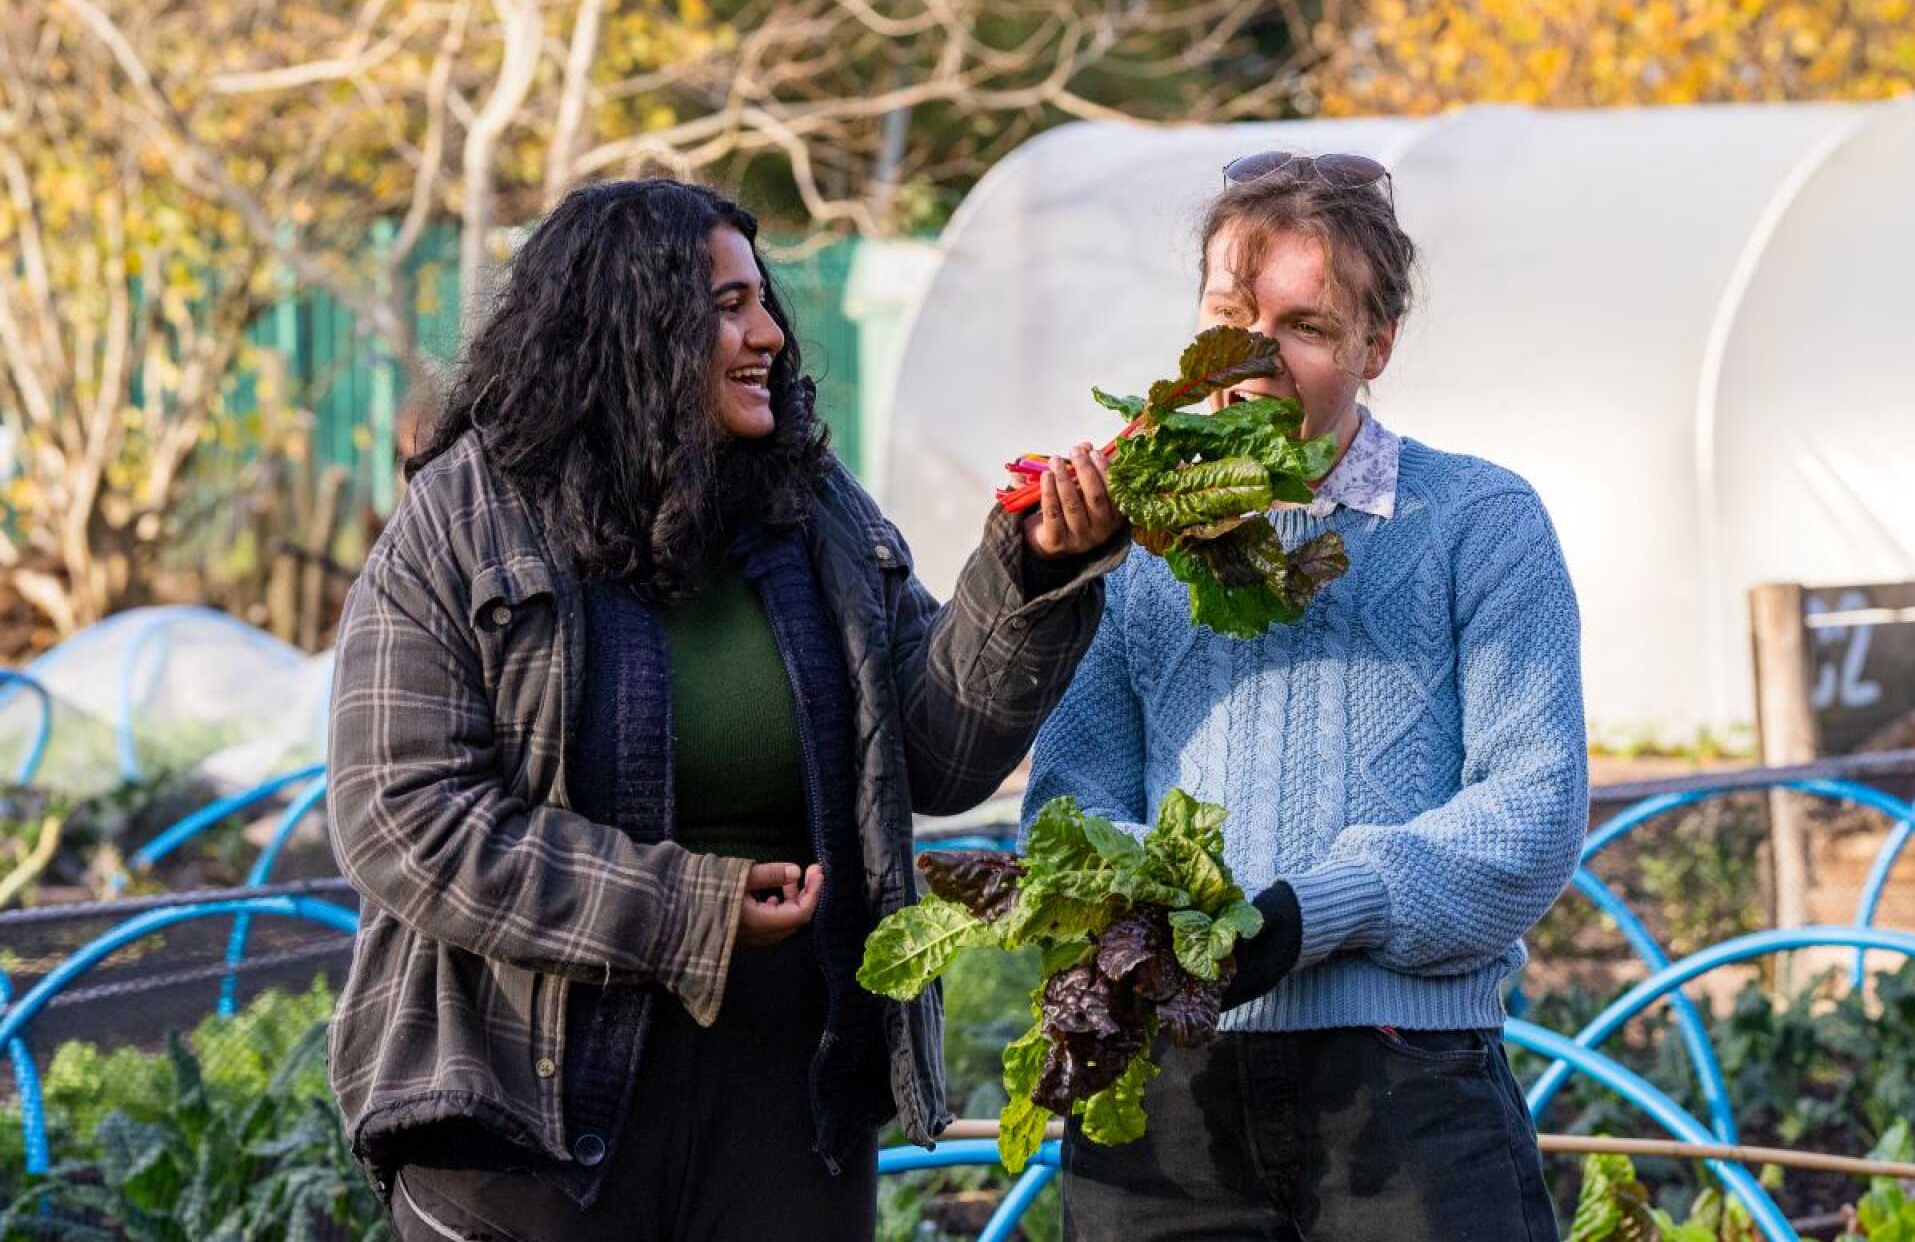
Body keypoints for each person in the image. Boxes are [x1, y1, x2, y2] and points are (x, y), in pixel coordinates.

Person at [325, 178, 1126, 1241]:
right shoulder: (463, 520)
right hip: (528, 1103)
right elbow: (404, 817)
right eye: (729, 306)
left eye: (764, 302)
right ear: (628, 327)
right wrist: (681, 908)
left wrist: (1029, 571)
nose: (768, 335)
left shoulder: (813, 508)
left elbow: (934, 754)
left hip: (782, 1090)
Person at [1022, 150, 1586, 1241]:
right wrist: (1164, 925)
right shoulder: (1130, 538)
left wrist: (1308, 914)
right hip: (1167, 1090)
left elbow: (1531, 810)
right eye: (1231, 314)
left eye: (1307, 326)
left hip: (1405, 1086)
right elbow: (1068, 803)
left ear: (1377, 347)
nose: (1254, 357)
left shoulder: (1479, 520)